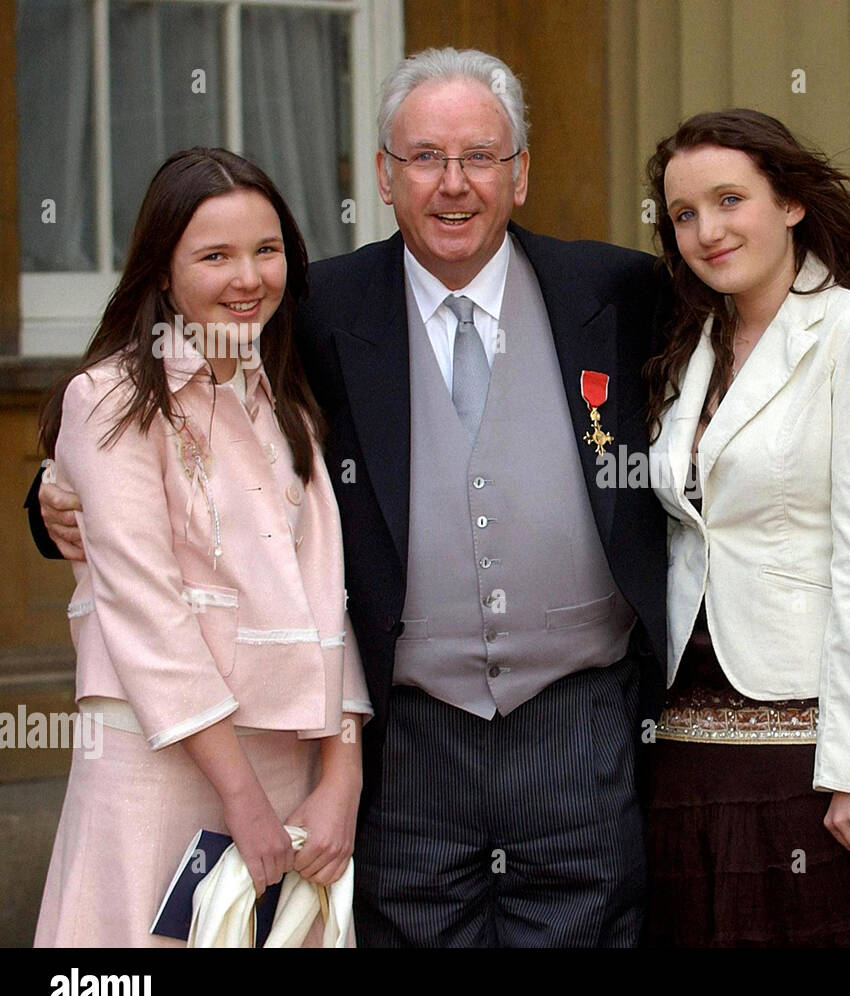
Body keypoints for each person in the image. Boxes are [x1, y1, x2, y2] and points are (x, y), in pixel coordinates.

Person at [34, 47, 668, 947]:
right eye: (424, 158)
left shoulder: (616, 290)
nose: (453, 185)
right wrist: (52, 492)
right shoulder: (315, 310)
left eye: (481, 157)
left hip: (579, 726)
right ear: (383, 175)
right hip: (402, 740)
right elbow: (161, 408)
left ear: (520, 173)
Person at [31, 147, 371, 947]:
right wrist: (241, 799)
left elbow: (329, 596)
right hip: (161, 767)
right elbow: (145, 612)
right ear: (162, 272)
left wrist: (342, 776)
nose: (247, 278)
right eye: (214, 256)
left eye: (266, 250)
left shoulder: (286, 399)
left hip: (291, 766)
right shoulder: (107, 398)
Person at [640, 109, 850, 946]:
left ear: (791, 203)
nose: (708, 230)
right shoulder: (688, 341)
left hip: (810, 749)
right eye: (685, 214)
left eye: (730, 199)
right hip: (686, 743)